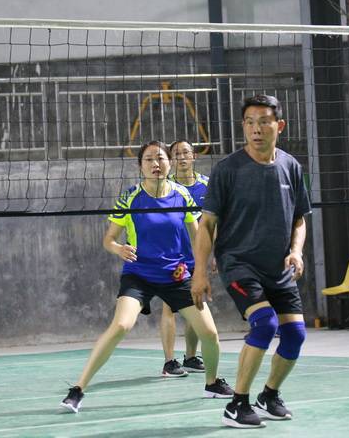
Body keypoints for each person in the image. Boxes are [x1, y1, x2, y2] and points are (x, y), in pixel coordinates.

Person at [60, 141, 233, 414]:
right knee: (121, 325)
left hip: (176, 275)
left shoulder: (182, 195)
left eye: (160, 158)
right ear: (140, 166)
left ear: (169, 163)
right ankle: (78, 389)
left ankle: (212, 384)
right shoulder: (130, 197)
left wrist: (200, 269)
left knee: (210, 333)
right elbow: (108, 239)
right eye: (149, 159)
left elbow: (197, 236)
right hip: (139, 274)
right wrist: (118, 248)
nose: (156, 164)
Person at [191, 94, 311, 429]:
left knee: (295, 334)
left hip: (279, 268)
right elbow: (207, 224)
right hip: (239, 263)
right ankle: (237, 404)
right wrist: (199, 272)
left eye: (264, 122)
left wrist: (296, 250)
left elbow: (299, 219)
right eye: (249, 122)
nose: (256, 129)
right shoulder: (228, 169)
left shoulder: (291, 166)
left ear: (279, 125)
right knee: (265, 324)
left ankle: (269, 395)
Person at [158, 139, 210, 377]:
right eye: (176, 154)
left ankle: (190, 357)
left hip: (196, 256)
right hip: (172, 257)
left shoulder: (207, 186)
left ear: (194, 156)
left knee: (195, 305)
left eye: (185, 153)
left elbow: (213, 223)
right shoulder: (165, 187)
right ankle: (169, 362)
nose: (181, 157)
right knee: (169, 307)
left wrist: (211, 254)